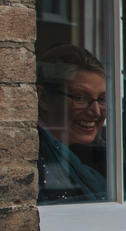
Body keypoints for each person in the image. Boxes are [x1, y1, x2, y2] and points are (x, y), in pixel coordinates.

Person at [36, 45, 110, 203]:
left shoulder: (102, 155)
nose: (96, 112)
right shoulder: (35, 159)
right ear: (43, 98)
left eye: (102, 99)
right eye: (80, 98)